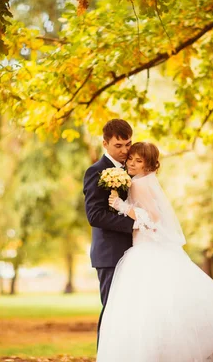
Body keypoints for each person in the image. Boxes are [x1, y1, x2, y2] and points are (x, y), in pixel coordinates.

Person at [97, 142, 213, 362]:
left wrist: (122, 207)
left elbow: (153, 218)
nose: (131, 163)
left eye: (138, 161)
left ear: (149, 165)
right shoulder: (144, 180)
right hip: (149, 248)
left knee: (142, 308)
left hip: (145, 250)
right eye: (131, 158)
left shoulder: (139, 184)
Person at [82, 119, 135, 347]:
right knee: (112, 310)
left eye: (128, 144)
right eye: (118, 145)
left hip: (136, 253)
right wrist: (132, 224)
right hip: (110, 255)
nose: (124, 150)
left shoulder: (133, 169)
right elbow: (94, 215)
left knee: (132, 313)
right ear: (105, 144)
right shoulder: (95, 172)